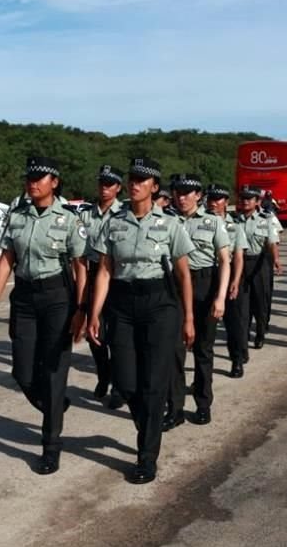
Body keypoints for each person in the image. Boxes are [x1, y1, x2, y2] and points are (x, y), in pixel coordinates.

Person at [87, 157, 195, 484]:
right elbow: (105, 269)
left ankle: (146, 456)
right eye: (132, 179)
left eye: (142, 180)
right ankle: (147, 420)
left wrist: (188, 317)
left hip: (159, 303)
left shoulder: (171, 224)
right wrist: (93, 311)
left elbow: (184, 274)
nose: (134, 184)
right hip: (121, 302)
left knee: (153, 382)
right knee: (125, 380)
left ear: (154, 187)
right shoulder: (114, 222)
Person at [0, 156, 88, 476]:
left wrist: (81, 310)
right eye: (30, 176)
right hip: (26, 297)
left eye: (41, 177)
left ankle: (51, 446)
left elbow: (81, 266)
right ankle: (54, 405)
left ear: (54, 183)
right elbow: (6, 260)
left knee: (55, 371)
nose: (33, 182)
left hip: (58, 296)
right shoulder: (17, 216)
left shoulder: (69, 219)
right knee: (23, 371)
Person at [163, 174, 230, 428]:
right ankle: (175, 408)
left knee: (203, 349)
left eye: (187, 193)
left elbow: (224, 261)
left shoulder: (213, 222)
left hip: (204, 284)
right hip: (174, 287)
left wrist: (220, 297)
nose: (182, 197)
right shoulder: (166, 220)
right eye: (178, 192)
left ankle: (203, 404)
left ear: (198, 196)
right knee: (174, 351)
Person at [78, 164, 125, 410]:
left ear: (118, 188)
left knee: (117, 335)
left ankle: (118, 385)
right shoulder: (85, 215)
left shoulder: (123, 213)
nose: (104, 188)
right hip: (94, 272)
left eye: (110, 184)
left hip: (117, 277)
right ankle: (103, 375)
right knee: (94, 334)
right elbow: (80, 257)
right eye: (101, 183)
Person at [205, 183, 250, 378]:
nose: (213, 203)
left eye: (217, 199)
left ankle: (237, 360)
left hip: (230, 274)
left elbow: (238, 256)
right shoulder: (201, 223)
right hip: (207, 276)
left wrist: (235, 281)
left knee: (235, 323)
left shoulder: (235, 226)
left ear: (226, 202)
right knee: (206, 326)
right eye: (210, 199)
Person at [235, 185, 281, 350]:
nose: (245, 201)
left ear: (257, 201)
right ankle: (243, 332)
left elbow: (272, 242)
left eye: (249, 199)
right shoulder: (233, 219)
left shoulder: (266, 219)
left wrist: (276, 259)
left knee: (260, 302)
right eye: (243, 198)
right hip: (240, 264)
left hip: (260, 263)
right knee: (242, 302)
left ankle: (260, 333)